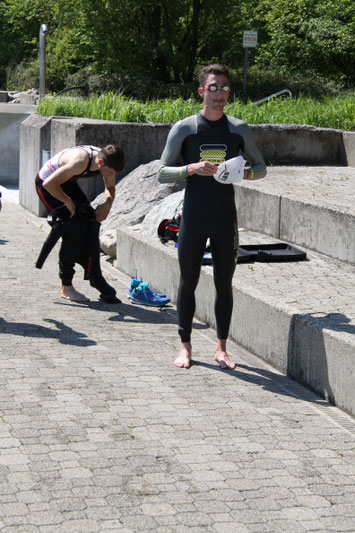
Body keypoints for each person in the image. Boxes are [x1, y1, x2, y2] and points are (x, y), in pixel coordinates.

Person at [158, 64, 266, 369]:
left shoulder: (238, 128)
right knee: (187, 280)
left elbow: (262, 168)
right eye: (213, 87)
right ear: (201, 91)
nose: (219, 94)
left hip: (224, 219)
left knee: (224, 283)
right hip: (194, 217)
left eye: (224, 88)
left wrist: (244, 171)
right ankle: (185, 348)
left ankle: (221, 348)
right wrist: (190, 168)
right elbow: (161, 173)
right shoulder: (185, 128)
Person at [35, 144, 125, 303]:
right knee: (72, 229)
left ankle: (95, 276)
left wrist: (108, 203)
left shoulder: (107, 162)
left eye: (114, 173)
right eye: (110, 171)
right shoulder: (80, 161)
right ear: (100, 161)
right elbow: (48, 184)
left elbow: (110, 187)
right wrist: (67, 201)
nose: (111, 175)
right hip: (47, 184)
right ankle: (66, 287)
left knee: (90, 221)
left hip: (66, 182)